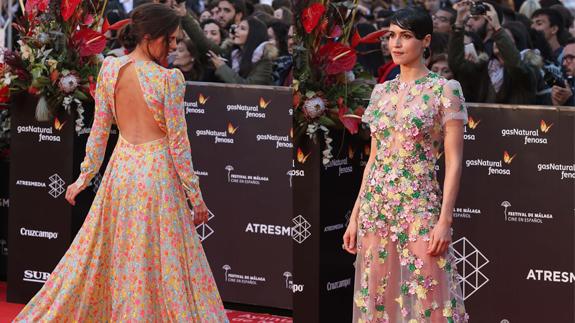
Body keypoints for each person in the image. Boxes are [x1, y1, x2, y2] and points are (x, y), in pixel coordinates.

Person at [13, 4, 228, 322]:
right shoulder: (170, 80)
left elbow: (100, 132)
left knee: (121, 256)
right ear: (150, 35)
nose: (172, 47)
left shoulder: (110, 69)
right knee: (160, 263)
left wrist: (84, 178)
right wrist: (195, 197)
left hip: (121, 174)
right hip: (156, 177)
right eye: (169, 39)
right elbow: (179, 146)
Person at [343, 8, 468, 323]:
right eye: (391, 36)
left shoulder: (445, 90)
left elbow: (454, 161)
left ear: (425, 41)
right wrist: (355, 216)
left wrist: (445, 220)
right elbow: (373, 159)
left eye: (406, 36)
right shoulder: (380, 92)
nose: (396, 44)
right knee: (379, 299)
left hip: (419, 205)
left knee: (428, 299)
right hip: (377, 208)